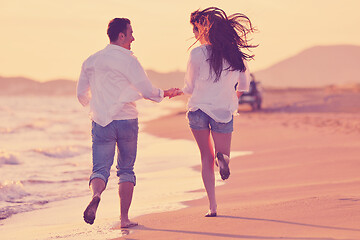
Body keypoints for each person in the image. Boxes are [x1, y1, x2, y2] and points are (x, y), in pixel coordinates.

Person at [77, 18, 177, 228]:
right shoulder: (130, 60)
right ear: (121, 35)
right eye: (130, 33)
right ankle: (124, 219)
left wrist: (97, 106)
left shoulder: (91, 61)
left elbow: (81, 94)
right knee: (126, 170)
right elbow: (148, 91)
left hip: (101, 121)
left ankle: (96, 195)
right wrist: (165, 93)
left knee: (99, 169)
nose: (133, 37)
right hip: (127, 121)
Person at [174, 7, 257, 217]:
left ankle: (212, 207)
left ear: (200, 30)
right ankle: (224, 160)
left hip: (198, 110)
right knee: (223, 155)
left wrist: (177, 91)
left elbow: (190, 88)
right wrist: (228, 99)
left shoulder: (196, 54)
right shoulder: (235, 54)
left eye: (195, 31)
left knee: (205, 157)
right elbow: (243, 86)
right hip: (223, 111)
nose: (195, 36)